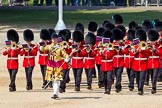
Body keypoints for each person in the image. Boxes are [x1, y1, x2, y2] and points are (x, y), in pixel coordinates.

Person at [42, 33, 69, 99]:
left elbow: (64, 54)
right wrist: (41, 48)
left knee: (56, 80)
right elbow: (44, 50)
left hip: (57, 65)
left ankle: (55, 93)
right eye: (53, 39)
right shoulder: (49, 46)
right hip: (50, 65)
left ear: (57, 39)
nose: (54, 40)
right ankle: (55, 92)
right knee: (52, 80)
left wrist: (67, 58)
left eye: (55, 38)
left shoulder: (60, 47)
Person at [130, 29, 149, 95]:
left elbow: (147, 54)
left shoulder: (145, 46)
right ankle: (139, 87)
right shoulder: (135, 46)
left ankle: (141, 89)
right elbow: (131, 54)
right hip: (136, 64)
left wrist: (143, 50)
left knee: (142, 78)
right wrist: (136, 50)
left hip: (143, 64)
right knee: (137, 78)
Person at [101, 30, 116, 94]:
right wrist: (101, 51)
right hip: (103, 65)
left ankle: (108, 89)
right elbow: (99, 56)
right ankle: (105, 89)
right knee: (104, 78)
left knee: (109, 78)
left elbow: (112, 55)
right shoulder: (102, 48)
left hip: (109, 65)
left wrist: (109, 50)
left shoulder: (111, 48)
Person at [147, 29, 162, 94]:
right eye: (152, 41)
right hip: (150, 62)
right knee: (152, 75)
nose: (152, 42)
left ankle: (154, 87)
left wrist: (155, 50)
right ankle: (153, 85)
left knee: (155, 76)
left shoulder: (159, 45)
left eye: (154, 40)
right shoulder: (148, 45)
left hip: (156, 62)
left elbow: (160, 53)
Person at [112, 28, 125, 93]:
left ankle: (117, 86)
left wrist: (121, 48)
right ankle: (119, 85)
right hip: (114, 62)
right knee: (115, 74)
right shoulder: (112, 44)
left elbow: (125, 52)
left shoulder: (122, 44)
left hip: (121, 62)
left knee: (119, 74)